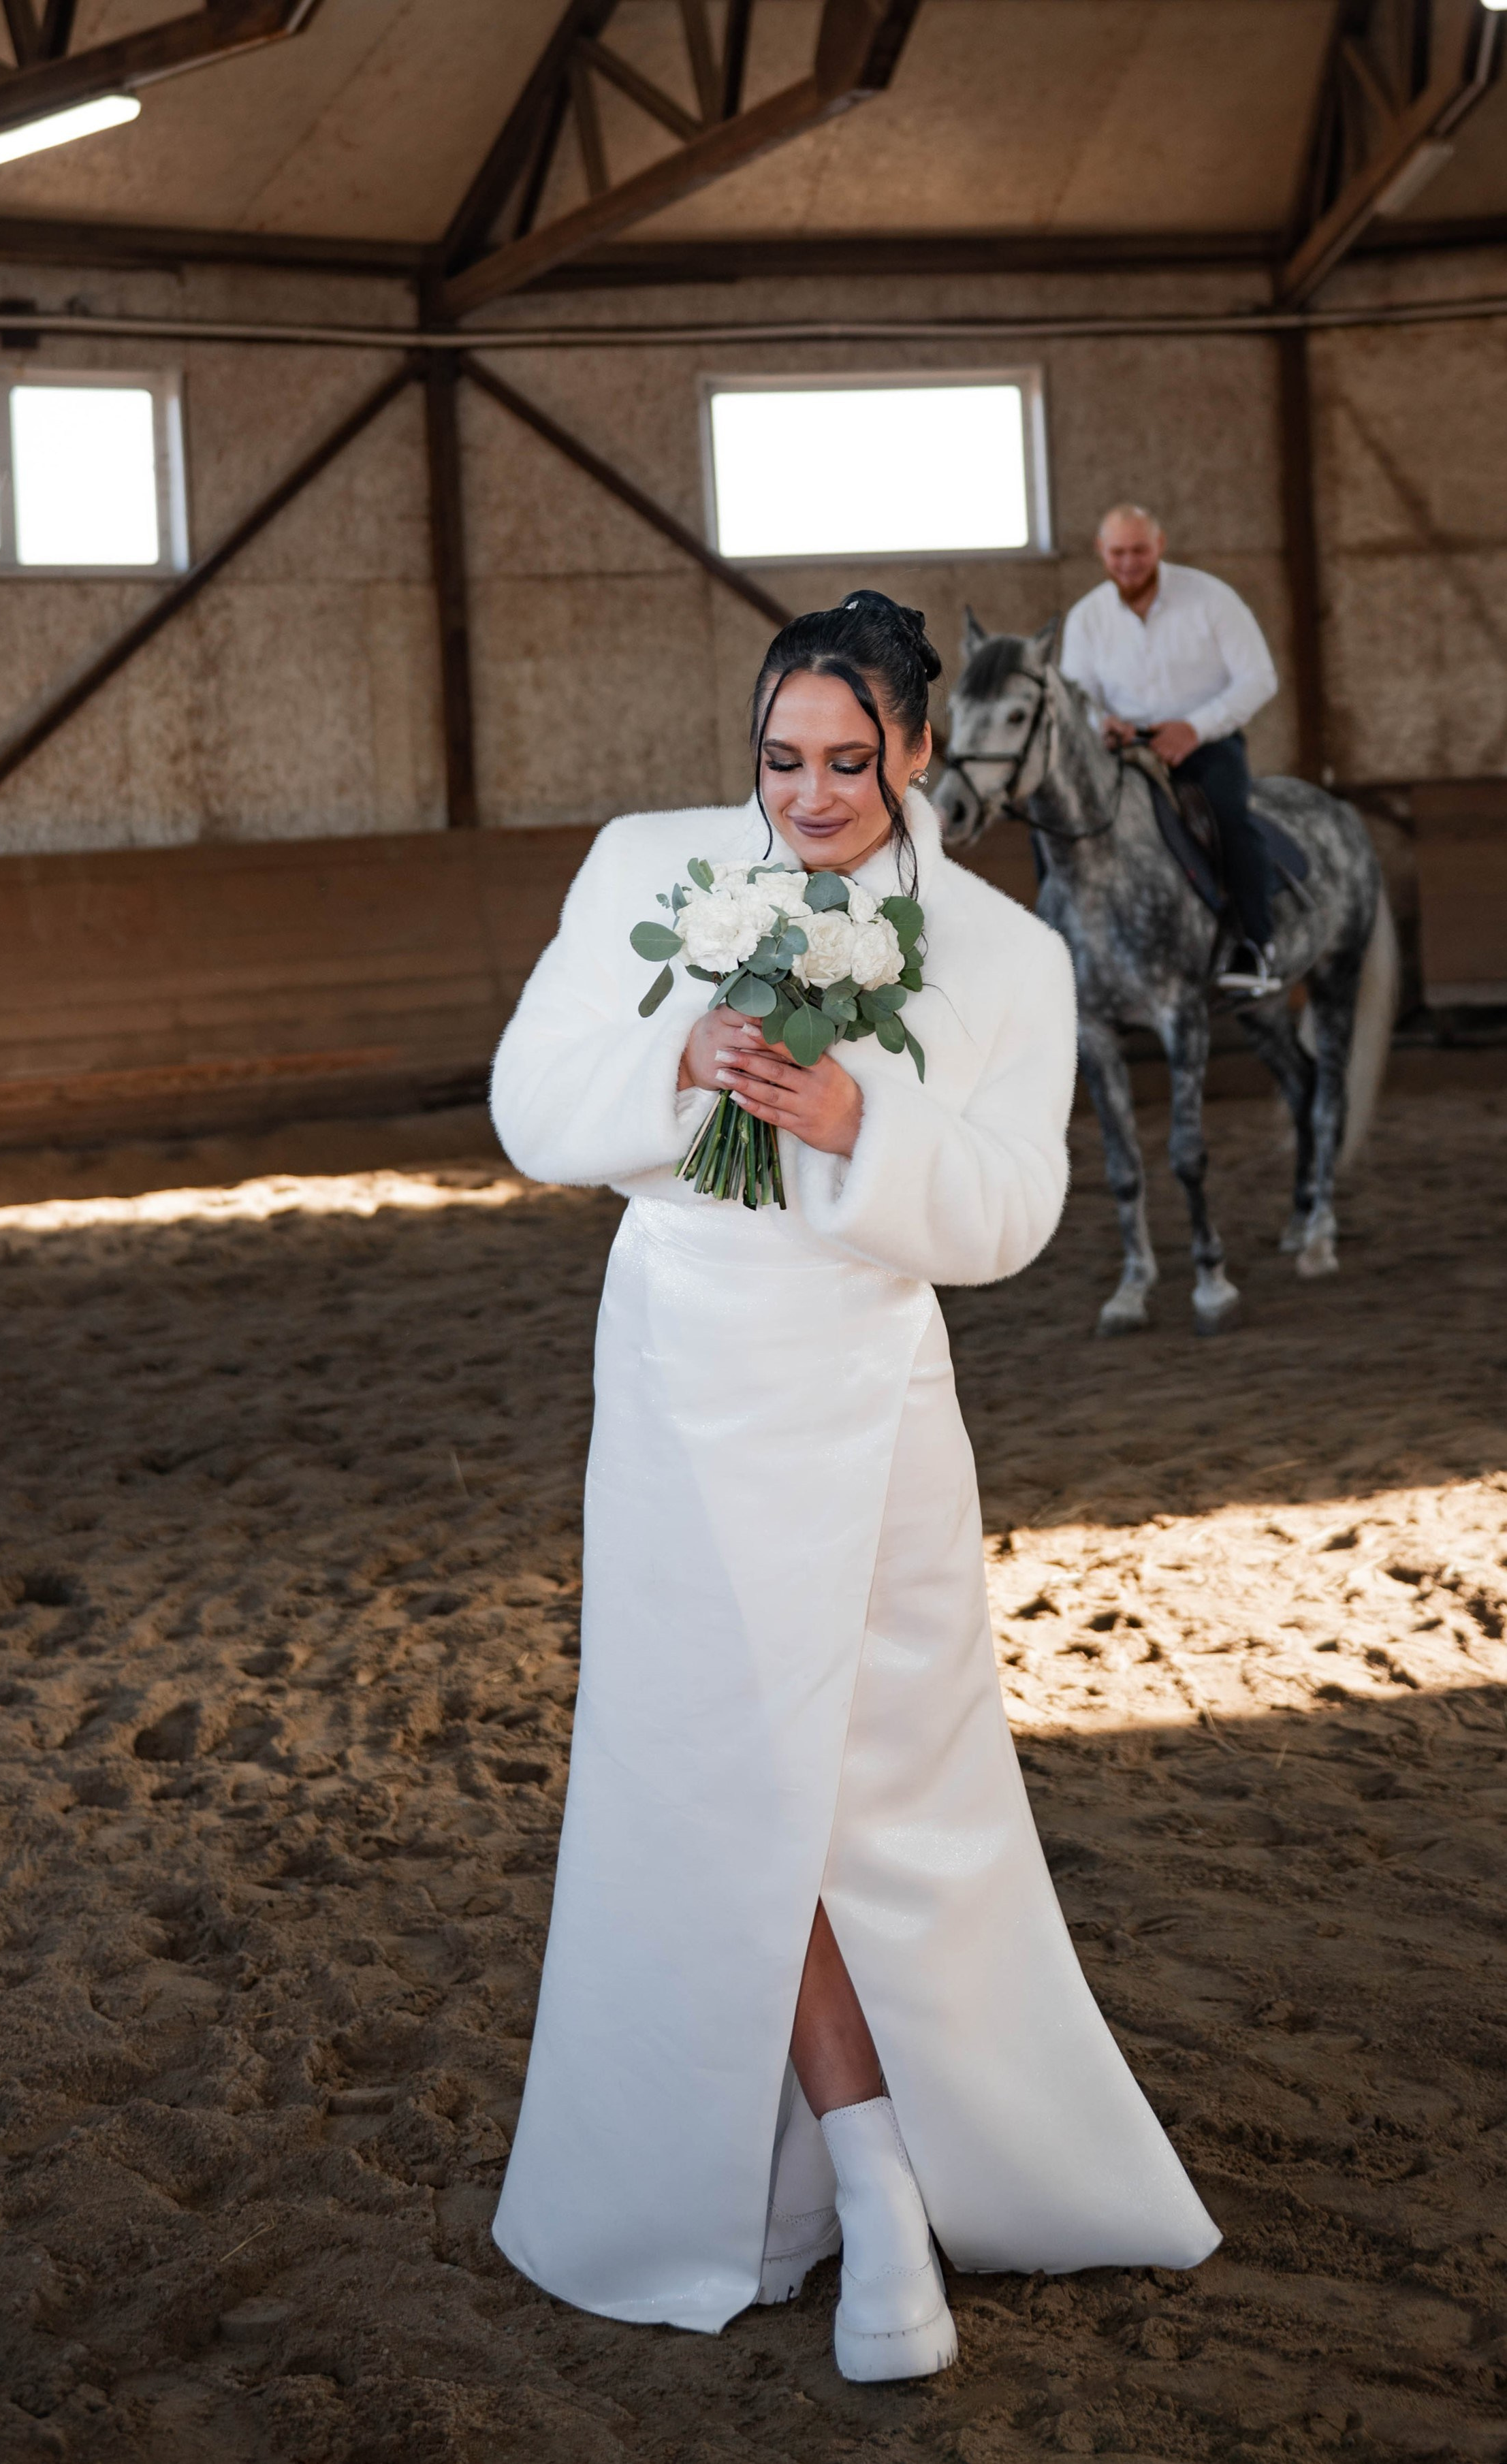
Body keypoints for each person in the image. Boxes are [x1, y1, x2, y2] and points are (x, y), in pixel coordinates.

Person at [487, 590, 1220, 2384]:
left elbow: (1006, 1216)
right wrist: (675, 1058)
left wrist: (852, 1129)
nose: (804, 794)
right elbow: (526, 1100)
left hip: (867, 1384)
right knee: (736, 1761)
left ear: (910, 752)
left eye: (842, 760)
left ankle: (922, 2150)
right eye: (776, 757)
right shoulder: (643, 866)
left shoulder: (998, 956)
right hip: (677, 1366)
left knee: (884, 1776)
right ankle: (873, 2168)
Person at [1060, 503, 1282, 995]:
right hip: (1121, 750)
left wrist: (1194, 728)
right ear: (1102, 551)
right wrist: (1102, 724)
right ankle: (1065, 945)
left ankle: (1255, 943)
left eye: (1139, 550)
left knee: (1229, 818)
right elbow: (1080, 697)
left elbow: (1260, 678)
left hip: (1202, 743)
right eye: (1118, 551)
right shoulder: (1087, 618)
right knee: (1060, 823)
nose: (1129, 562)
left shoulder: (1212, 599)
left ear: (1159, 546)